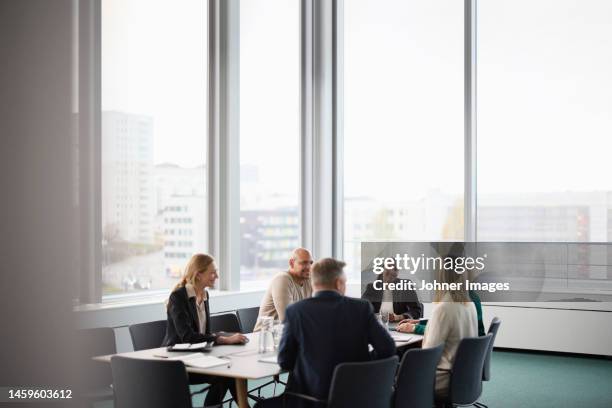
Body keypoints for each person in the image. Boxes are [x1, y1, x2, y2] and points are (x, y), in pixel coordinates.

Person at [254, 258, 396, 408]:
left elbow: (285, 361)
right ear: (338, 283)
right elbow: (388, 348)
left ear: (314, 283)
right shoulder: (361, 308)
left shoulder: (296, 311)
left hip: (311, 400)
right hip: (359, 398)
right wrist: (364, 364)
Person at [163, 254, 248, 407]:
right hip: (179, 363)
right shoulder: (178, 297)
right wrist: (223, 339)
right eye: (213, 272)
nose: (217, 276)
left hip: (198, 357)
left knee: (232, 369)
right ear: (199, 274)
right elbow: (188, 336)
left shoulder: (205, 294)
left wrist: (222, 337)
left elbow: (205, 334)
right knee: (225, 374)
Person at [415, 268, 478, 399]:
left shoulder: (443, 308)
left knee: (396, 376)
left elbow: (429, 353)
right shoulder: (469, 304)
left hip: (443, 378)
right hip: (466, 376)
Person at [253, 248, 314, 331]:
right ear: (291, 263)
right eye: (304, 263)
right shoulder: (282, 279)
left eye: (310, 263)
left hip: (291, 336)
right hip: (266, 337)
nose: (309, 267)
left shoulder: (309, 280)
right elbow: (288, 320)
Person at [396, 291, 484, 336]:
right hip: (471, 355)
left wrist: (414, 328)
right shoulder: (471, 296)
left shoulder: (451, 303)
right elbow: (448, 323)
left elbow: (439, 331)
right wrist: (419, 322)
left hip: (454, 360)